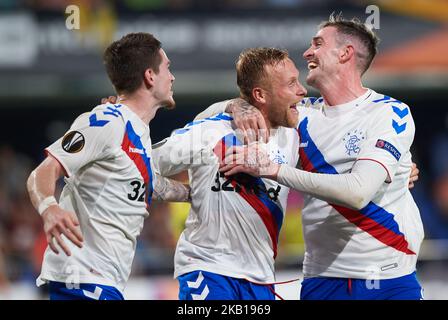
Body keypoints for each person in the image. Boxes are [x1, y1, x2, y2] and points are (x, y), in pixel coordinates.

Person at [207, 14, 425, 300]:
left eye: (318, 44)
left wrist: (272, 169)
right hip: (322, 279)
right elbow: (203, 121)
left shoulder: (388, 112)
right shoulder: (300, 114)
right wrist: (236, 105)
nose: (307, 52)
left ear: (346, 54)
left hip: (388, 278)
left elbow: (358, 193)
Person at [26, 32, 190, 300]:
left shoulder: (137, 133)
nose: (172, 77)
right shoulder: (106, 120)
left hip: (102, 283)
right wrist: (49, 208)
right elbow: (43, 171)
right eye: (168, 68)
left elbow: (150, 183)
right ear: (150, 76)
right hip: (82, 282)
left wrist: (196, 193)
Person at [151, 47, 307, 300]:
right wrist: (183, 193)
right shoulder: (209, 132)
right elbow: (140, 165)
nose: (302, 90)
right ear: (260, 94)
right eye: (291, 83)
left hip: (262, 278)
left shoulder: (294, 134)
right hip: (209, 270)